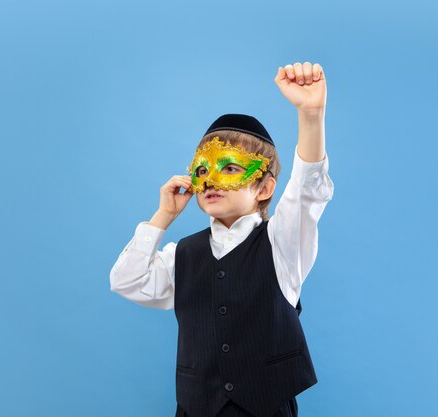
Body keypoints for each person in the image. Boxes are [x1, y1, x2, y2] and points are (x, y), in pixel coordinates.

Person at [110, 62, 334, 417]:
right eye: (203, 169)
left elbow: (308, 190)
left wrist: (311, 114)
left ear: (264, 188)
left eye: (230, 167)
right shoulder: (182, 255)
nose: (211, 179)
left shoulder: (283, 244)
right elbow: (127, 280)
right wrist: (163, 216)